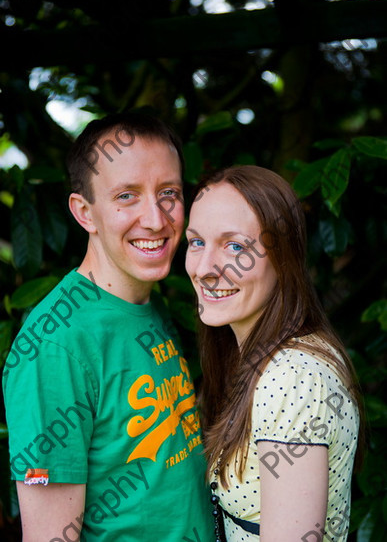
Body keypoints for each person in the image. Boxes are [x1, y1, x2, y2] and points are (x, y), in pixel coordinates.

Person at [3, 112, 214, 541]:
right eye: (127, 196)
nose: (155, 219)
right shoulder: (55, 346)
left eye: (168, 193)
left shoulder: (147, 304)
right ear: (85, 213)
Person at [185, 166, 363, 542]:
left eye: (235, 247)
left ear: (283, 259)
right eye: (196, 241)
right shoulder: (261, 354)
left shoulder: (292, 377)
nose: (203, 269)